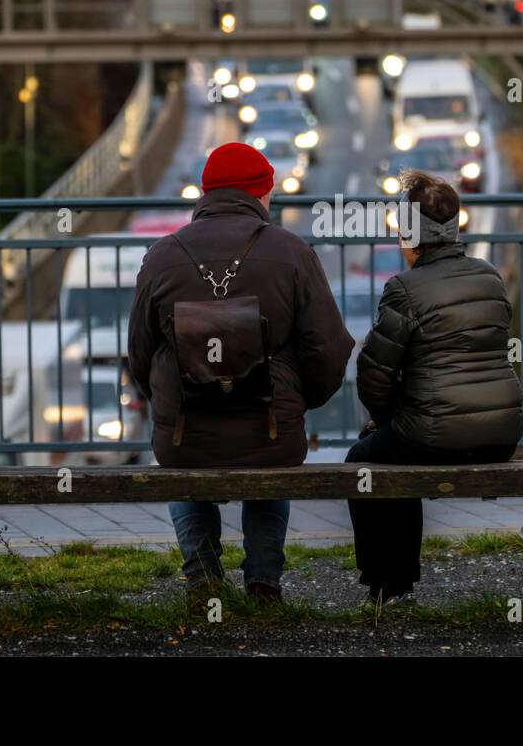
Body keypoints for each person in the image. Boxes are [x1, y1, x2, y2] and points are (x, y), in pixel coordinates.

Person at [127, 142, 354, 602]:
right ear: (261, 195)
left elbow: (139, 352)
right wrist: (295, 400)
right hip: (271, 430)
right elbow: (328, 349)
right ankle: (263, 581)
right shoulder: (292, 253)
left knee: (185, 469)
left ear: (205, 193)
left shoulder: (162, 256)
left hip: (185, 434)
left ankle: (204, 581)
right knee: (270, 464)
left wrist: (167, 404)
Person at [347, 170, 523, 605]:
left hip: (435, 437)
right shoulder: (490, 277)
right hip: (502, 433)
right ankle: (396, 582)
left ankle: (387, 584)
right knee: (400, 447)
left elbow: (373, 375)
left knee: (365, 463)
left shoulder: (404, 290)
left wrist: (386, 419)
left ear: (410, 235)